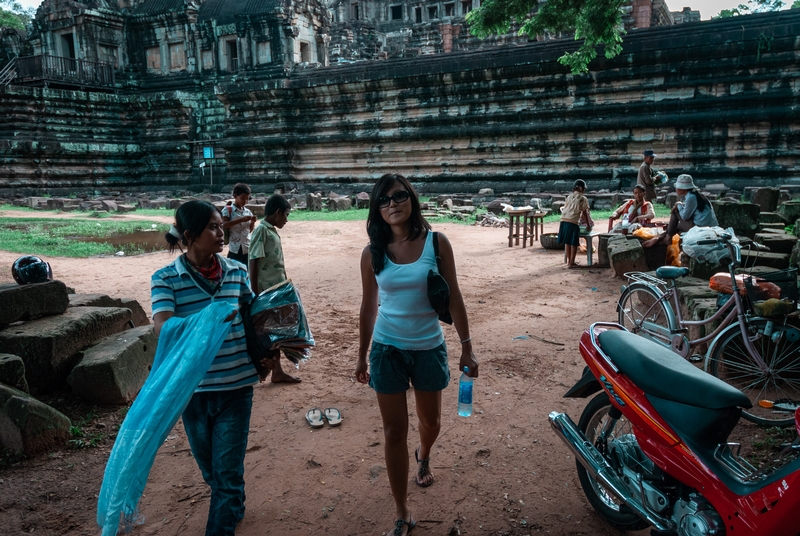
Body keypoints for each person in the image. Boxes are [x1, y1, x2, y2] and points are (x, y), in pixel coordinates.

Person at [355, 174, 479, 536]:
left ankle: (423, 454)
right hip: (386, 350)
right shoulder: (372, 253)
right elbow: (368, 307)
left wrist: (467, 346)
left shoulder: (437, 244)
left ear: (412, 199)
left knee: (432, 424)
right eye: (384, 200)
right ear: (376, 209)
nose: (392, 204)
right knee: (394, 431)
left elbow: (454, 296)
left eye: (399, 196)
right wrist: (362, 356)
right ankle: (402, 510)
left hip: (428, 347)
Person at [151, 200, 258, 536]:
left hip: (236, 386)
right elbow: (164, 326)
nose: (220, 232)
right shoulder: (166, 279)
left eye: (219, 225)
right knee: (212, 472)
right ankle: (234, 501)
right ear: (190, 235)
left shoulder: (237, 273)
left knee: (226, 475)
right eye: (213, 227)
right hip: (192, 391)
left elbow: (253, 319)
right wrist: (211, 318)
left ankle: (224, 517)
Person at [248, 194, 301, 383]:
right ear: (277, 212)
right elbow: (253, 260)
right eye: (286, 215)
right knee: (269, 332)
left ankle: (277, 371)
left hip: (276, 290)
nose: (286, 220)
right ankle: (264, 370)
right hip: (266, 292)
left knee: (276, 330)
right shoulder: (261, 230)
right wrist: (255, 293)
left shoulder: (270, 230)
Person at [643, 174, 718, 247]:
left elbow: (685, 216)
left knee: (675, 213)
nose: (676, 189)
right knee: (676, 223)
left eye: (677, 187)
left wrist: (678, 205)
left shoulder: (691, 198)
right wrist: (679, 205)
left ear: (683, 189)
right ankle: (664, 237)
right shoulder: (694, 195)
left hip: (702, 228)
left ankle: (665, 238)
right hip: (703, 225)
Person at [558, 179, 592, 269]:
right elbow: (585, 213)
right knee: (573, 243)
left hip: (563, 221)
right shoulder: (583, 198)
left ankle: (570, 261)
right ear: (582, 189)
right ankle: (571, 262)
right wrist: (588, 225)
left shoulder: (569, 196)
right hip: (573, 222)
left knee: (567, 242)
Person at [222, 183, 257, 267]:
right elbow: (223, 225)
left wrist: (252, 222)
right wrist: (241, 220)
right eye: (242, 198)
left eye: (247, 199)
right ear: (235, 196)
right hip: (234, 249)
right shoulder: (228, 210)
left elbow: (249, 230)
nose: (245, 201)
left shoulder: (247, 212)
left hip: (247, 248)